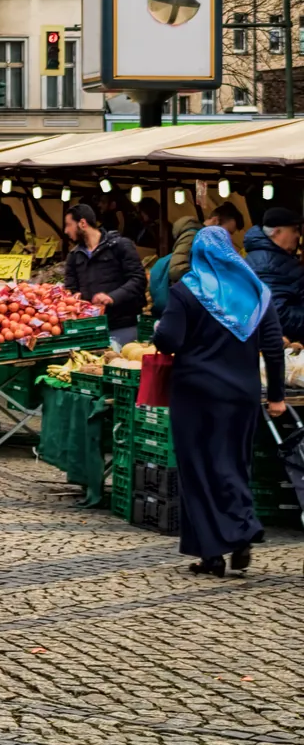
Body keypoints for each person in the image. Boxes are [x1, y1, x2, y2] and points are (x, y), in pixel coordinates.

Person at [152, 227, 289, 576]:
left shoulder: (187, 291)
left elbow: (168, 340)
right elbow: (274, 348)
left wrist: (160, 333)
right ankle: (240, 528)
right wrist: (276, 396)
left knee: (198, 470)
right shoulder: (257, 293)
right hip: (241, 394)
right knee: (233, 463)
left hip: (195, 395)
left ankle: (213, 551)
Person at [62, 202, 148, 351]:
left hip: (123, 325)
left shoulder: (120, 246)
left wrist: (112, 297)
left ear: (82, 223)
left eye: (69, 225)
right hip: (91, 330)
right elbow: (70, 289)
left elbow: (138, 279)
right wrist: (75, 303)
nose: (66, 230)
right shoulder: (74, 256)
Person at [242, 206, 304, 345]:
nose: (297, 236)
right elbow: (278, 313)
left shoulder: (272, 258)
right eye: (294, 230)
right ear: (276, 232)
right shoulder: (267, 264)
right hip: (284, 344)